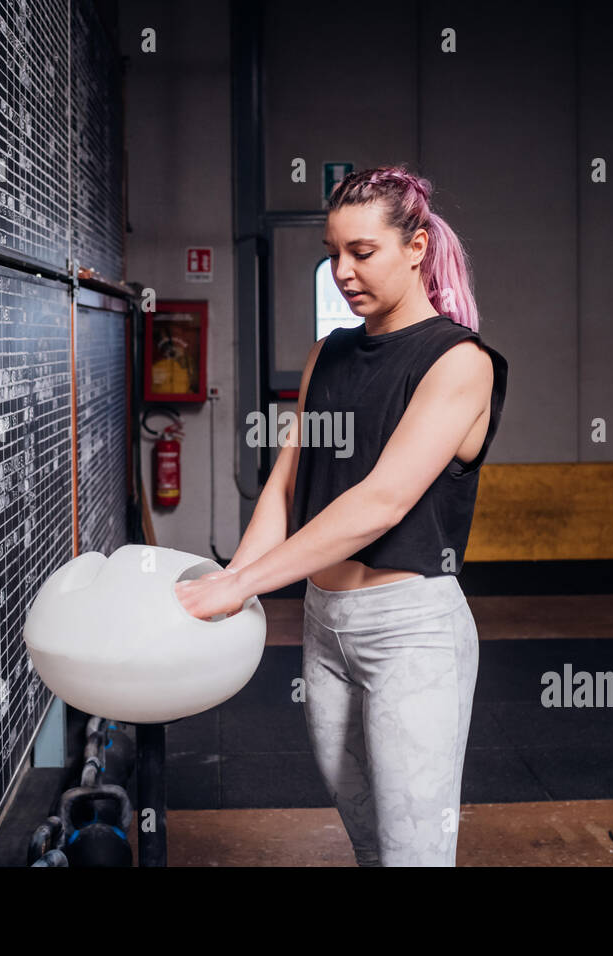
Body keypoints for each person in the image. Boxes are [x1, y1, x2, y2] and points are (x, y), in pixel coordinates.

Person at [175, 165, 508, 866]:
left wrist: (240, 587)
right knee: (367, 841)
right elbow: (287, 483)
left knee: (413, 854)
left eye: (363, 252)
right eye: (332, 253)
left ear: (416, 246)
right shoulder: (328, 353)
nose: (342, 271)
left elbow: (380, 502)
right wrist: (232, 577)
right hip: (324, 625)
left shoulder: (459, 361)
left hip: (411, 634)